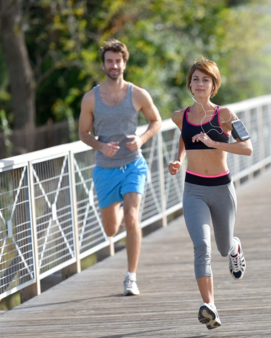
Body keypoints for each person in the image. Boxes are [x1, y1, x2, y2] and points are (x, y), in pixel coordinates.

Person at [168, 58, 253, 329]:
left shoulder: (225, 115)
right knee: (201, 246)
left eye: (206, 80)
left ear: (213, 85)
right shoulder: (179, 116)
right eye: (195, 79)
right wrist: (179, 159)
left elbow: (247, 148)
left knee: (222, 247)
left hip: (221, 189)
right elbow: (184, 135)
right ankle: (210, 306)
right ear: (189, 84)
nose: (200, 84)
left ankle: (234, 248)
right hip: (193, 189)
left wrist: (213, 142)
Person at [79, 38, 162, 296]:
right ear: (104, 65)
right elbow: (83, 132)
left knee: (132, 216)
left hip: (133, 165)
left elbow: (156, 121)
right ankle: (119, 211)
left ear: (125, 63)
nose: (114, 65)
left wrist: (141, 139)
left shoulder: (138, 94)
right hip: (105, 169)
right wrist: (100, 146)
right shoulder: (91, 98)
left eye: (118, 61)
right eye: (109, 61)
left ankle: (131, 277)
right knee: (111, 229)